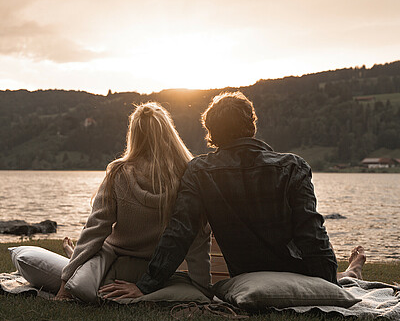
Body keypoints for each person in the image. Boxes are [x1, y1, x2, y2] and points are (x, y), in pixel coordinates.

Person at [99, 91, 366, 300]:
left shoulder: (200, 171)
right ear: (252, 125)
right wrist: (328, 281)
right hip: (301, 270)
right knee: (343, 277)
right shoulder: (293, 165)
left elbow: (180, 233)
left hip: (249, 273)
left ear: (211, 134)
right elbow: (312, 234)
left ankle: (352, 271)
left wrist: (145, 286)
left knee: (345, 277)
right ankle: (351, 272)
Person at [56, 102, 211, 301]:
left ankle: (73, 260)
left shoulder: (119, 174)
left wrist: (65, 281)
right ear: (169, 132)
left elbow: (95, 231)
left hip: (113, 270)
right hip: (159, 272)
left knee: (29, 256)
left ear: (134, 135)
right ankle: (75, 260)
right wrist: (203, 288)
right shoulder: (188, 175)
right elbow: (198, 236)